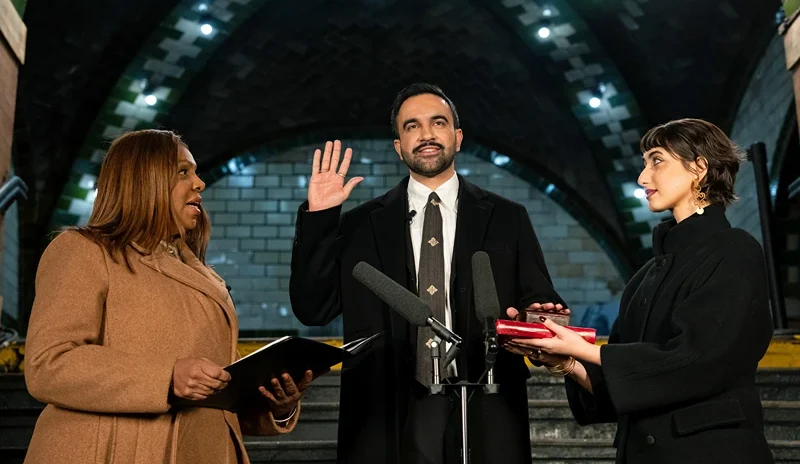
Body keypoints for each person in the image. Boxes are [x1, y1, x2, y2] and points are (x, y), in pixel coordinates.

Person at [290, 83, 567, 464]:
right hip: (386, 410)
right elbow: (313, 308)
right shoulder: (359, 224)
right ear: (398, 146)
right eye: (411, 126)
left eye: (438, 122)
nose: (426, 134)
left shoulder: (507, 217)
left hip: (485, 400)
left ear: (457, 136)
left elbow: (537, 300)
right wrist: (320, 217)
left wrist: (540, 320)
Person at [24, 130, 315, 464]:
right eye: (183, 171)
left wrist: (275, 405)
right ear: (142, 178)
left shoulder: (204, 277)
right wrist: (167, 377)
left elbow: (220, 391)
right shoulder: (82, 251)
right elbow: (49, 363)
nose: (200, 183)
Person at [506, 118, 775, 464]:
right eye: (644, 163)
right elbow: (622, 387)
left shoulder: (735, 250)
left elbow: (696, 360)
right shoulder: (645, 275)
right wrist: (566, 359)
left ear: (699, 168)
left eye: (657, 160)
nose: (643, 177)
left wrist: (586, 350)